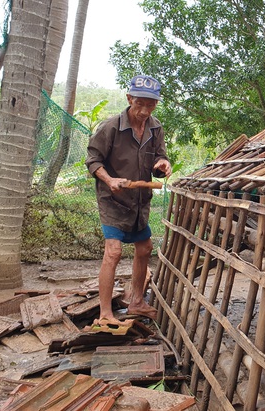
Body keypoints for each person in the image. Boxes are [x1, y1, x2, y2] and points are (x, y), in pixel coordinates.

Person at [85, 75, 172, 323]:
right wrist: (110, 180)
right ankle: (105, 314)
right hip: (113, 200)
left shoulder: (155, 128)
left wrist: (163, 165)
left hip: (139, 201)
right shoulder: (111, 127)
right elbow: (93, 161)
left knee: (144, 248)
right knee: (113, 252)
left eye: (151, 105)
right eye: (140, 104)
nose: (145, 111)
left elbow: (159, 157)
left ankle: (136, 302)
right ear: (129, 98)